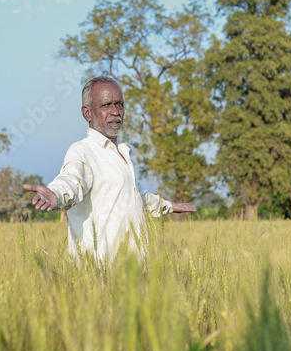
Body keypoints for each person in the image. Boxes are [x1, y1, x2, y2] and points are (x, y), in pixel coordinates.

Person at [22, 76, 195, 262]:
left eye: (119, 104)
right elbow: (72, 179)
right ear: (87, 113)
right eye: (106, 105)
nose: (115, 111)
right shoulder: (83, 151)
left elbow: (131, 196)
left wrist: (167, 206)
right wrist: (56, 192)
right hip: (100, 275)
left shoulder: (121, 153)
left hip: (132, 273)